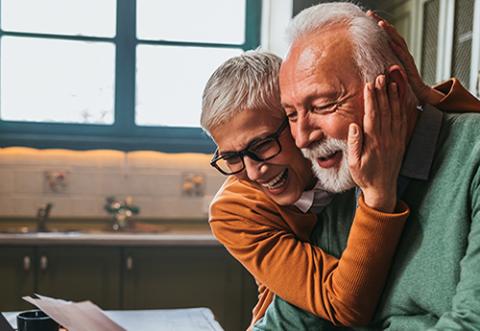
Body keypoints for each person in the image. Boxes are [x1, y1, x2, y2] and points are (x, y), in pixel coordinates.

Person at [252, 3, 480, 330]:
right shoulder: (339, 186)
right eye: (291, 114)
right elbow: (288, 323)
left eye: (323, 105)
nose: (301, 138)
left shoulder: (473, 158)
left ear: (394, 89)